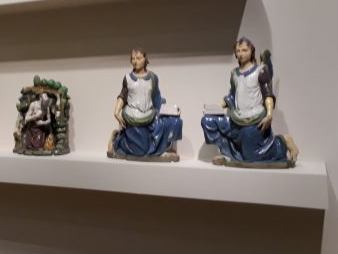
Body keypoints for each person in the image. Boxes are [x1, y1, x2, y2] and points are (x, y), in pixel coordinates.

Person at [201, 37, 299, 167]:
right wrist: (215, 107)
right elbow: (232, 94)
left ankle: (282, 142)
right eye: (238, 51)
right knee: (208, 121)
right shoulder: (234, 73)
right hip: (236, 118)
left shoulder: (260, 71)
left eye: (244, 50)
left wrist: (269, 115)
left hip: (254, 120)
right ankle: (226, 153)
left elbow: (268, 95)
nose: (241, 53)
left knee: (251, 156)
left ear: (251, 51)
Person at [108, 48, 182, 161]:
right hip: (132, 117)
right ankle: (116, 141)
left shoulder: (153, 78)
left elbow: (156, 98)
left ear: (145, 59)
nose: (135, 61)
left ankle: (160, 150)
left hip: (150, 115)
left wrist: (166, 111)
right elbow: (123, 96)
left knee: (171, 122)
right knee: (139, 151)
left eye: (138, 58)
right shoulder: (128, 78)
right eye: (133, 59)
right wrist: (116, 112)